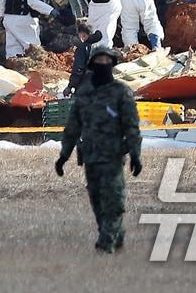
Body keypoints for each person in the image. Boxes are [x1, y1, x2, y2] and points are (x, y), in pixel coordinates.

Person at [54, 45, 142, 253]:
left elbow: (132, 126)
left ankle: (106, 242)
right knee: (97, 201)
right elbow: (73, 127)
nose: (103, 64)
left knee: (113, 199)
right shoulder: (84, 93)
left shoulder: (121, 92)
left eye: (107, 61)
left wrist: (135, 155)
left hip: (113, 156)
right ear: (92, 64)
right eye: (99, 61)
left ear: (112, 64)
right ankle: (115, 233)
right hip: (91, 156)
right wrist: (63, 156)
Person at [67, 20, 110, 92]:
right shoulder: (103, 46)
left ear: (83, 35)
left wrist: (70, 86)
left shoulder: (83, 48)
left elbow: (78, 68)